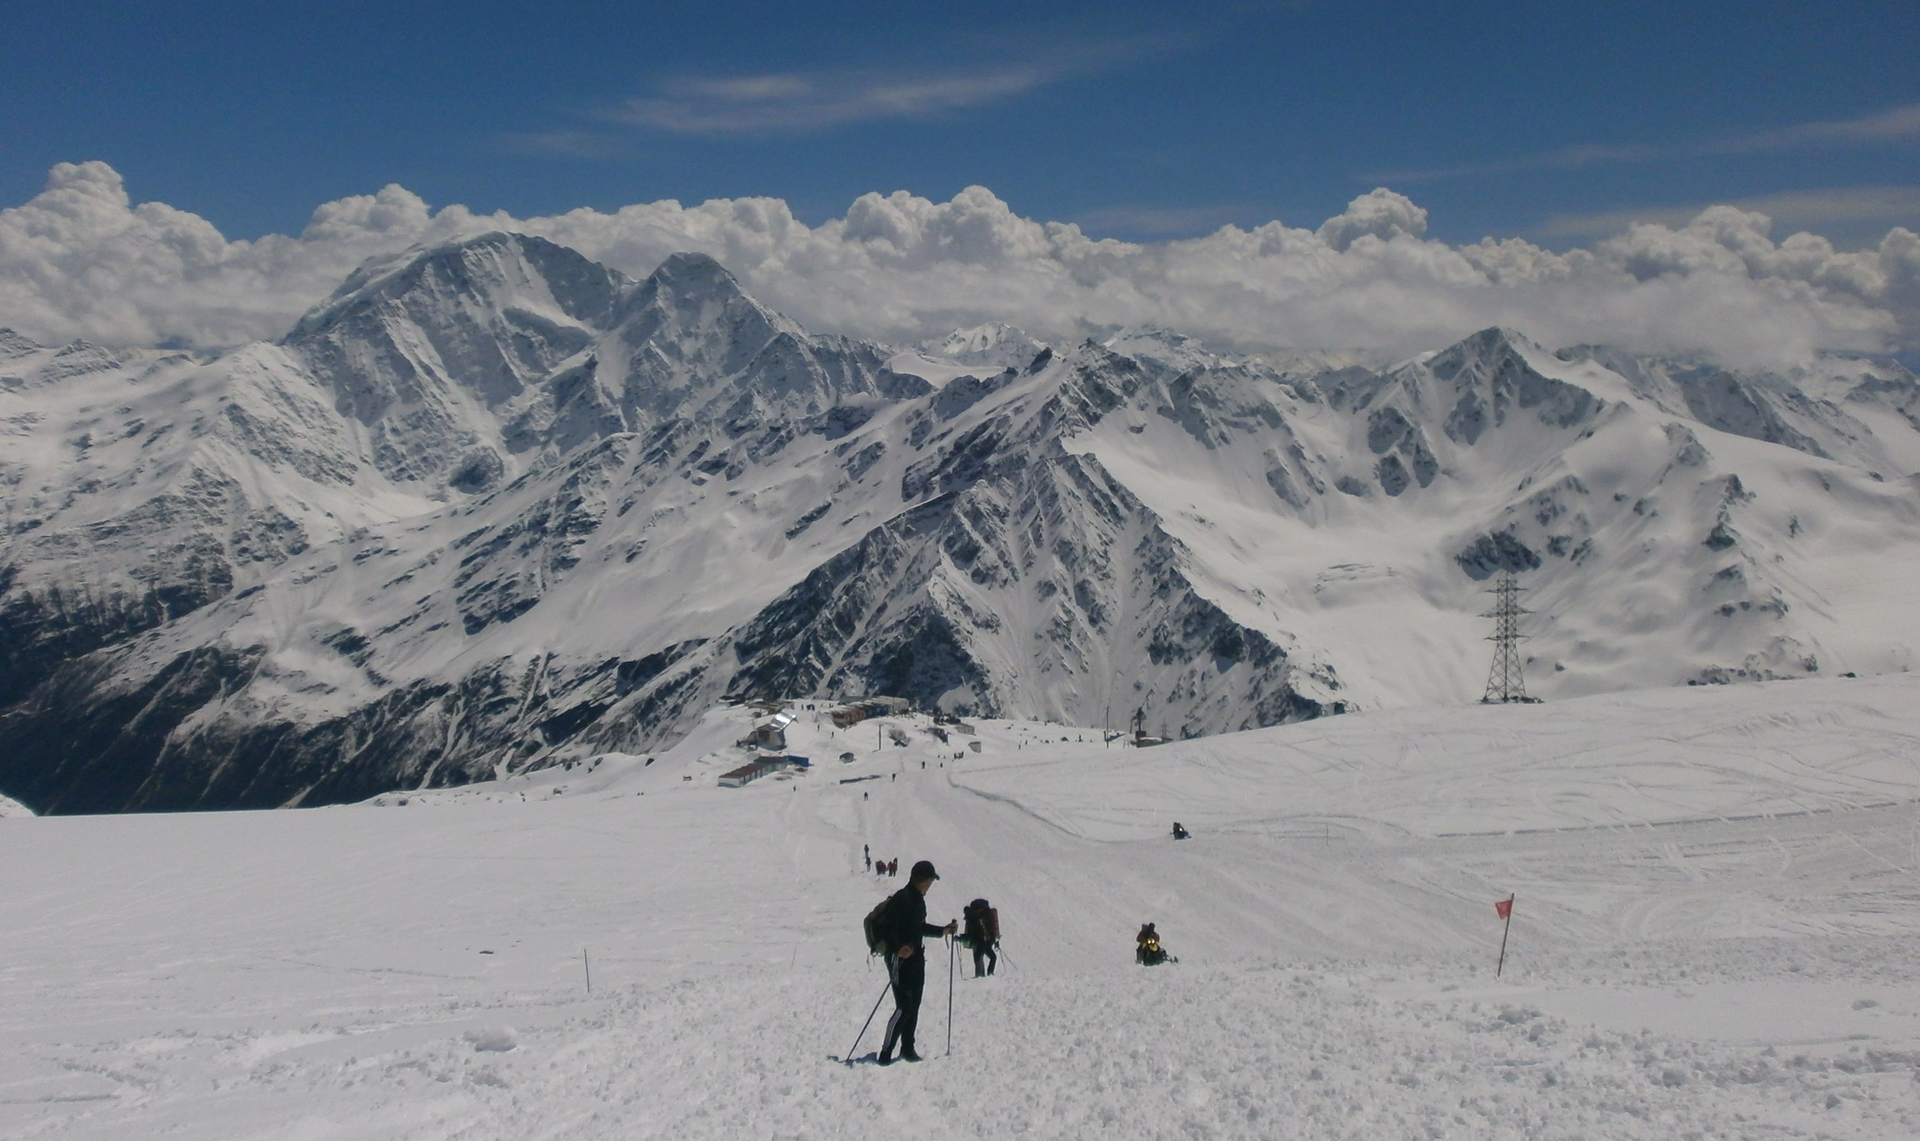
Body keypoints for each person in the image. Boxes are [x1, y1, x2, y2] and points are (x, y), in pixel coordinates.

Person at [870, 860, 958, 1064]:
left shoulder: (917, 899)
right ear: (923, 880)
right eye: (930, 880)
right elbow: (886, 929)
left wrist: (942, 931)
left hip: (915, 958)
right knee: (904, 1006)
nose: (930, 885)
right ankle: (886, 1052)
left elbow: (918, 928)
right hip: (898, 959)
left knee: (914, 1004)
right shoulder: (903, 898)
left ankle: (908, 1048)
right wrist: (898, 948)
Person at [962, 898, 999, 978]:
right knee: (993, 958)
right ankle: (989, 974)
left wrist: (962, 938)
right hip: (987, 942)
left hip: (978, 943)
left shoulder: (972, 918)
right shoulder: (986, 916)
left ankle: (981, 977)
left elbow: (971, 933)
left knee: (979, 960)